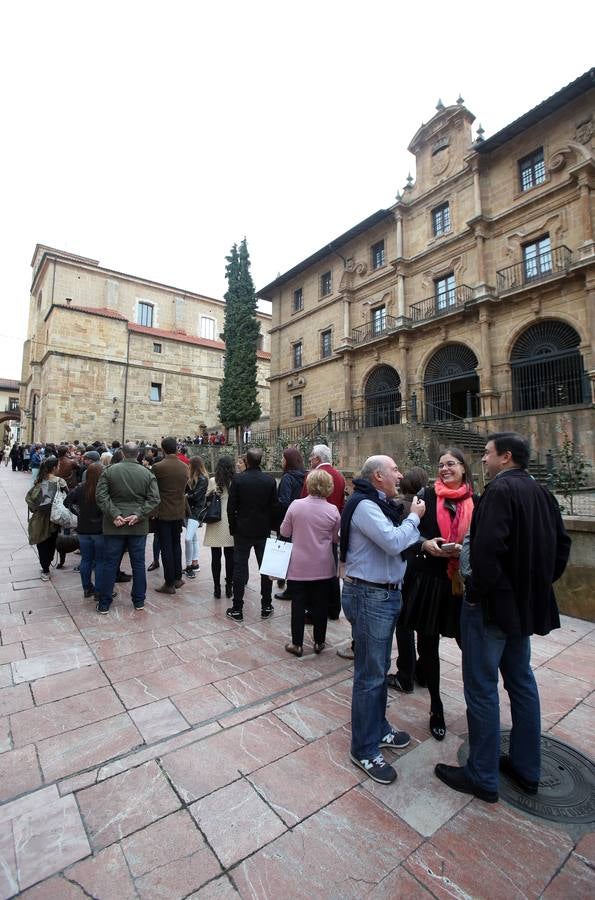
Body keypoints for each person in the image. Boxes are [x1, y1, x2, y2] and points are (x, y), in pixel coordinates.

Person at [435, 432, 571, 803]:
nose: (483, 460)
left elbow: (488, 549)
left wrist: (479, 594)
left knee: (481, 688)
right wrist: (537, 585)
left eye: (489, 454)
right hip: (522, 607)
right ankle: (528, 769)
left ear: (506, 457)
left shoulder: (498, 491)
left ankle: (482, 774)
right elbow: (562, 546)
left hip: (491, 608)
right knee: (522, 682)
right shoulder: (541, 492)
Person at [340, 455, 425, 785]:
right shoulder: (364, 505)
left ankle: (378, 728)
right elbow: (392, 542)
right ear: (378, 476)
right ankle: (363, 747)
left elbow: (392, 538)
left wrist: (422, 544)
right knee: (370, 675)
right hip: (370, 595)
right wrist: (415, 519)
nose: (400, 473)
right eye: (394, 469)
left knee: (377, 669)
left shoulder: (378, 503)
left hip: (384, 594)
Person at [402, 449, 477, 741]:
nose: (445, 469)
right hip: (430, 581)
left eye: (451, 464)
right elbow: (408, 534)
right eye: (441, 464)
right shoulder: (427, 497)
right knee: (428, 646)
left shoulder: (477, 501)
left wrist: (465, 551)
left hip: (462, 583)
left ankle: (476, 708)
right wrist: (424, 543)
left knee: (469, 647)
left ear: (463, 468)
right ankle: (436, 706)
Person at [280, 469, 340, 656]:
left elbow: (284, 531)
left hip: (299, 565)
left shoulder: (296, 506)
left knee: (297, 604)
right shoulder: (333, 510)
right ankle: (319, 642)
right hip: (323, 565)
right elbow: (335, 539)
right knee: (320, 605)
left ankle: (297, 644)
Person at [95, 442, 160, 613]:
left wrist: (115, 514)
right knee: (138, 563)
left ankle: (104, 602)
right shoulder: (147, 473)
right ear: (138, 454)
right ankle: (138, 600)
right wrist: (138, 514)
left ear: (122, 453)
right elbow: (154, 499)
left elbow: (101, 496)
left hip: (114, 524)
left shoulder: (109, 471)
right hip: (137, 525)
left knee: (110, 563)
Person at [386, 466, 429, 693]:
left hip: (406, 569)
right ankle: (424, 670)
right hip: (427, 572)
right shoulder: (428, 505)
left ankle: (405, 674)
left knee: (404, 624)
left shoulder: (399, 506)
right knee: (424, 625)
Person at [226, 447, 279, 621]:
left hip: (242, 530)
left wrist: (233, 528)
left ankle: (237, 608)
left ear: (247, 461)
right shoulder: (269, 481)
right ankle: (266, 605)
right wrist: (272, 527)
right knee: (265, 569)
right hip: (262, 530)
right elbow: (274, 507)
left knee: (240, 568)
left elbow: (230, 508)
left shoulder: (239, 480)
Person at [301, 444, 346, 619]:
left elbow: (305, 501)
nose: (310, 459)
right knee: (332, 569)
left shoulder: (313, 476)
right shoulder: (340, 476)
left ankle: (313, 610)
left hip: (313, 531)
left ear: (318, 459)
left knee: (313, 573)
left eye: (312, 456)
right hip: (333, 529)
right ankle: (334, 608)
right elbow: (341, 504)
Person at [151, 437, 190, 594]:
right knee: (175, 544)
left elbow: (152, 490)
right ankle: (177, 577)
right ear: (176, 448)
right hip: (178, 510)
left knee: (166, 546)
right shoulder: (184, 466)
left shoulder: (158, 467)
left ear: (163, 449)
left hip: (164, 511)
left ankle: (169, 583)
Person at [64, 462, 107, 598]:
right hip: (100, 530)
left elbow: (67, 502)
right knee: (100, 561)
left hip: (83, 529)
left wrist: (79, 512)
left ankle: (87, 588)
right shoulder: (104, 489)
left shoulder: (80, 488)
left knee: (86, 560)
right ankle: (99, 591)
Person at [25, 456, 67, 581]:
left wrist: (36, 509)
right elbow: (66, 498)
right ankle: (46, 565)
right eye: (58, 466)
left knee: (42, 543)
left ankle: (45, 568)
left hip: (39, 518)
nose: (59, 468)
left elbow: (30, 498)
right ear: (54, 468)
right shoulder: (60, 481)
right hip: (54, 518)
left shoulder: (39, 480)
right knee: (51, 542)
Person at [274, 448, 307, 602]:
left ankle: (289, 587)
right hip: (303, 522)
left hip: (289, 521)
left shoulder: (288, 478)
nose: (281, 461)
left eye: (283, 458)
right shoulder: (305, 476)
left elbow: (284, 501)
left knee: (285, 552)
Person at [203, 455, 235, 598]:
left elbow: (206, 499)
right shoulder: (234, 481)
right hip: (229, 521)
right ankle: (229, 587)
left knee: (215, 556)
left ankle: (217, 588)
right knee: (230, 556)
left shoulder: (212, 481)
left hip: (215, 520)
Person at [184, 456, 209, 578]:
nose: (188, 466)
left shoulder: (202, 479)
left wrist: (186, 495)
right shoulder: (192, 478)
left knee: (188, 539)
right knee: (193, 539)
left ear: (194, 465)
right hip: (189, 511)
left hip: (195, 512)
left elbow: (197, 496)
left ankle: (189, 565)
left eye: (190, 464)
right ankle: (195, 563)